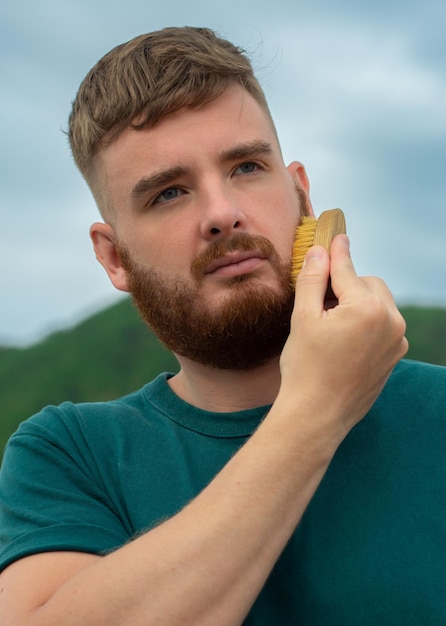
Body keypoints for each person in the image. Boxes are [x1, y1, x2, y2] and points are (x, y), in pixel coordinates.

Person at [0, 26, 444, 626]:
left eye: (246, 167)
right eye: (169, 193)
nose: (222, 213)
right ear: (114, 257)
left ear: (303, 199)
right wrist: (316, 408)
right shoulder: (68, 454)